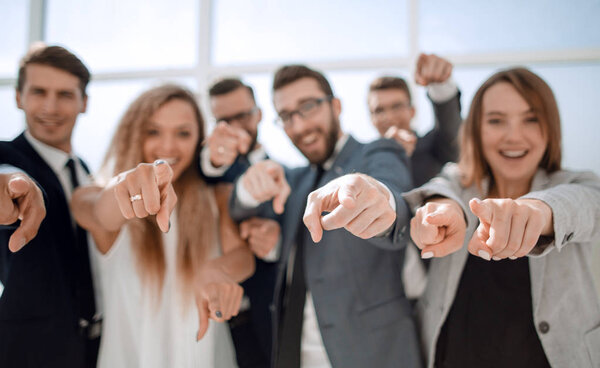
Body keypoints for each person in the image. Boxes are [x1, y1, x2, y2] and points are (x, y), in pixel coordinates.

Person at [404, 67, 600, 367]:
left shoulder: (577, 184)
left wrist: (538, 211)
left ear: (550, 126)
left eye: (531, 119)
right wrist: (442, 209)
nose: (513, 136)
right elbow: (443, 189)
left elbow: (585, 205)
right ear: (476, 130)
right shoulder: (458, 181)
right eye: (496, 121)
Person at [229, 65, 421, 368]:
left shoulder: (378, 153)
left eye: (308, 107)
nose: (300, 125)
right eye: (287, 116)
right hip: (295, 355)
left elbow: (396, 198)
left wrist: (380, 203)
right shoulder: (293, 181)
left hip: (373, 354)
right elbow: (242, 209)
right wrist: (249, 189)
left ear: (336, 106)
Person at [71, 84, 255, 367]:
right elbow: (97, 212)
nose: (168, 147)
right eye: (153, 131)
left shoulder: (216, 197)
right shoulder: (94, 194)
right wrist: (124, 186)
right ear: (133, 134)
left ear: (199, 140)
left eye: (183, 133)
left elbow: (242, 256)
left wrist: (215, 271)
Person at [0, 44, 101, 368]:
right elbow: (6, 177)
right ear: (19, 97)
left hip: (95, 347)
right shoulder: (8, 159)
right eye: (38, 92)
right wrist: (11, 183)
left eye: (65, 95)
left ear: (84, 102)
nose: (50, 106)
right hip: (30, 353)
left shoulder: (84, 170)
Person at [368, 53, 462, 299]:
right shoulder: (365, 165)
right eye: (379, 110)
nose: (388, 116)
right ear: (371, 118)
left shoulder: (434, 147)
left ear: (412, 110)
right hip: (386, 294)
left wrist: (441, 85)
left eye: (397, 106)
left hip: (442, 283)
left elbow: (450, 129)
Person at [201, 78, 278, 367]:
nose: (235, 127)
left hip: (268, 319)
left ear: (259, 113)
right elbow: (208, 170)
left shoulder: (287, 173)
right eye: (224, 120)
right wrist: (214, 160)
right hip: (210, 317)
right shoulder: (211, 167)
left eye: (243, 116)